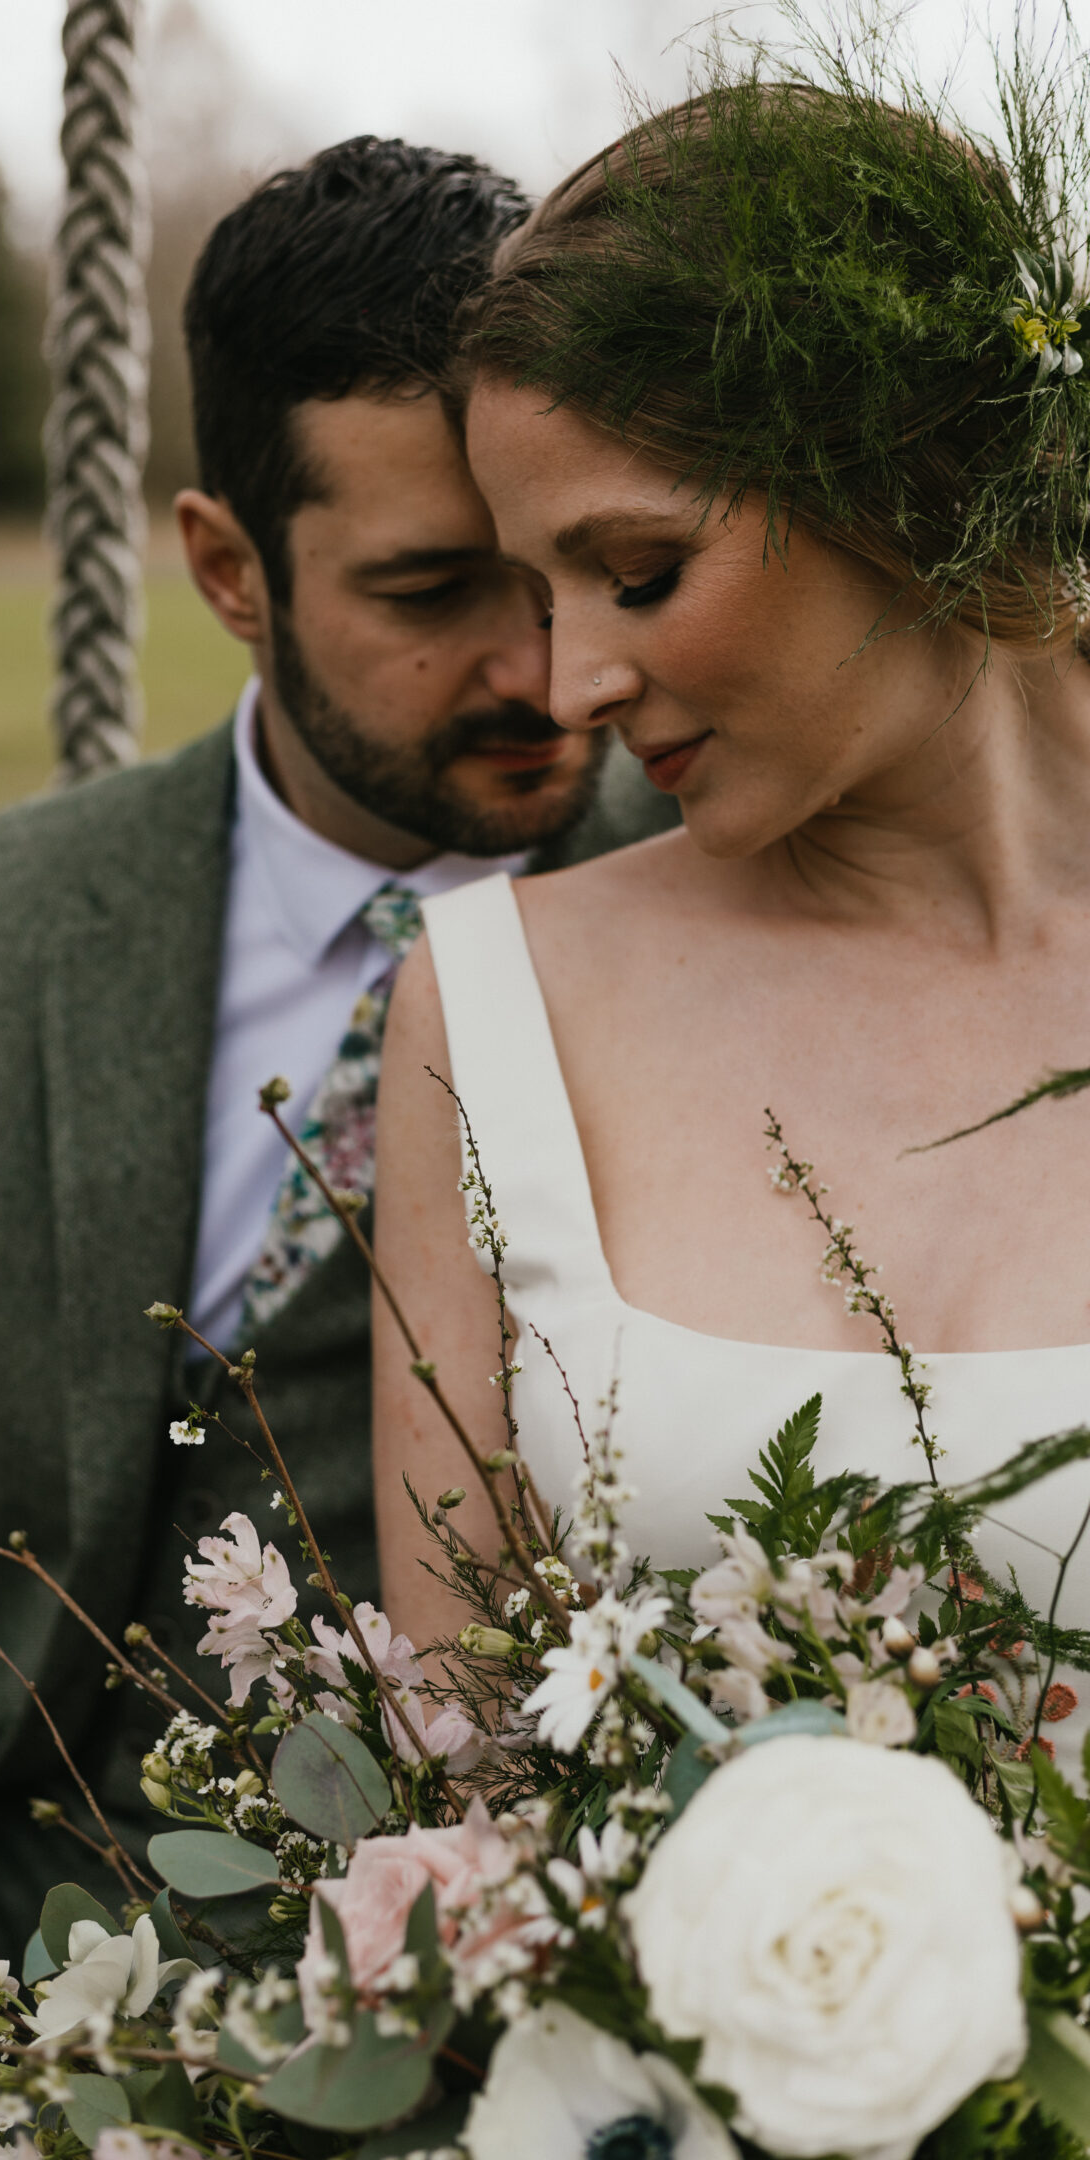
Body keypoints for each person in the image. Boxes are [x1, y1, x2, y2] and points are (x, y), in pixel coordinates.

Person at [0, 137, 674, 2136]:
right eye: (429, 591)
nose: (544, 669)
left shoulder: (733, 900)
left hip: (466, 1941)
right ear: (227, 570)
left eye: (565, 569)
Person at [374, 82, 1090, 1660]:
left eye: (637, 573)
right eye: (542, 596)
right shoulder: (494, 1014)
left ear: (909, 476)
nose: (573, 690)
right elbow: (453, 1780)